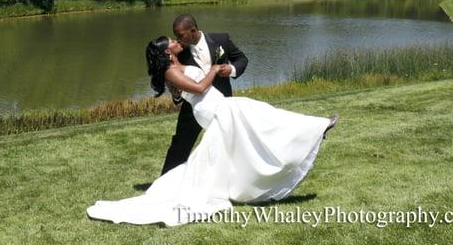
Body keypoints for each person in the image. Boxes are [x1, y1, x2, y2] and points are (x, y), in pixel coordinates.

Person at [86, 36, 338, 226]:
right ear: (167, 51)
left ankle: (312, 130)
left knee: (257, 122)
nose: (176, 41)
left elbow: (183, 93)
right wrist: (215, 70)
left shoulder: (176, 68)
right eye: (172, 41)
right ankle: (315, 128)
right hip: (213, 109)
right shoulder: (171, 71)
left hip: (218, 106)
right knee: (260, 116)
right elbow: (196, 89)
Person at [161, 14, 248, 175]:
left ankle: (234, 178)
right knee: (180, 145)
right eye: (176, 36)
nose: (178, 40)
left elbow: (242, 59)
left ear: (192, 30)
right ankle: (165, 181)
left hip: (221, 104)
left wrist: (232, 69)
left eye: (181, 35)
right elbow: (177, 86)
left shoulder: (221, 39)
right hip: (193, 108)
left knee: (229, 144)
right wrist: (176, 95)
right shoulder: (179, 53)